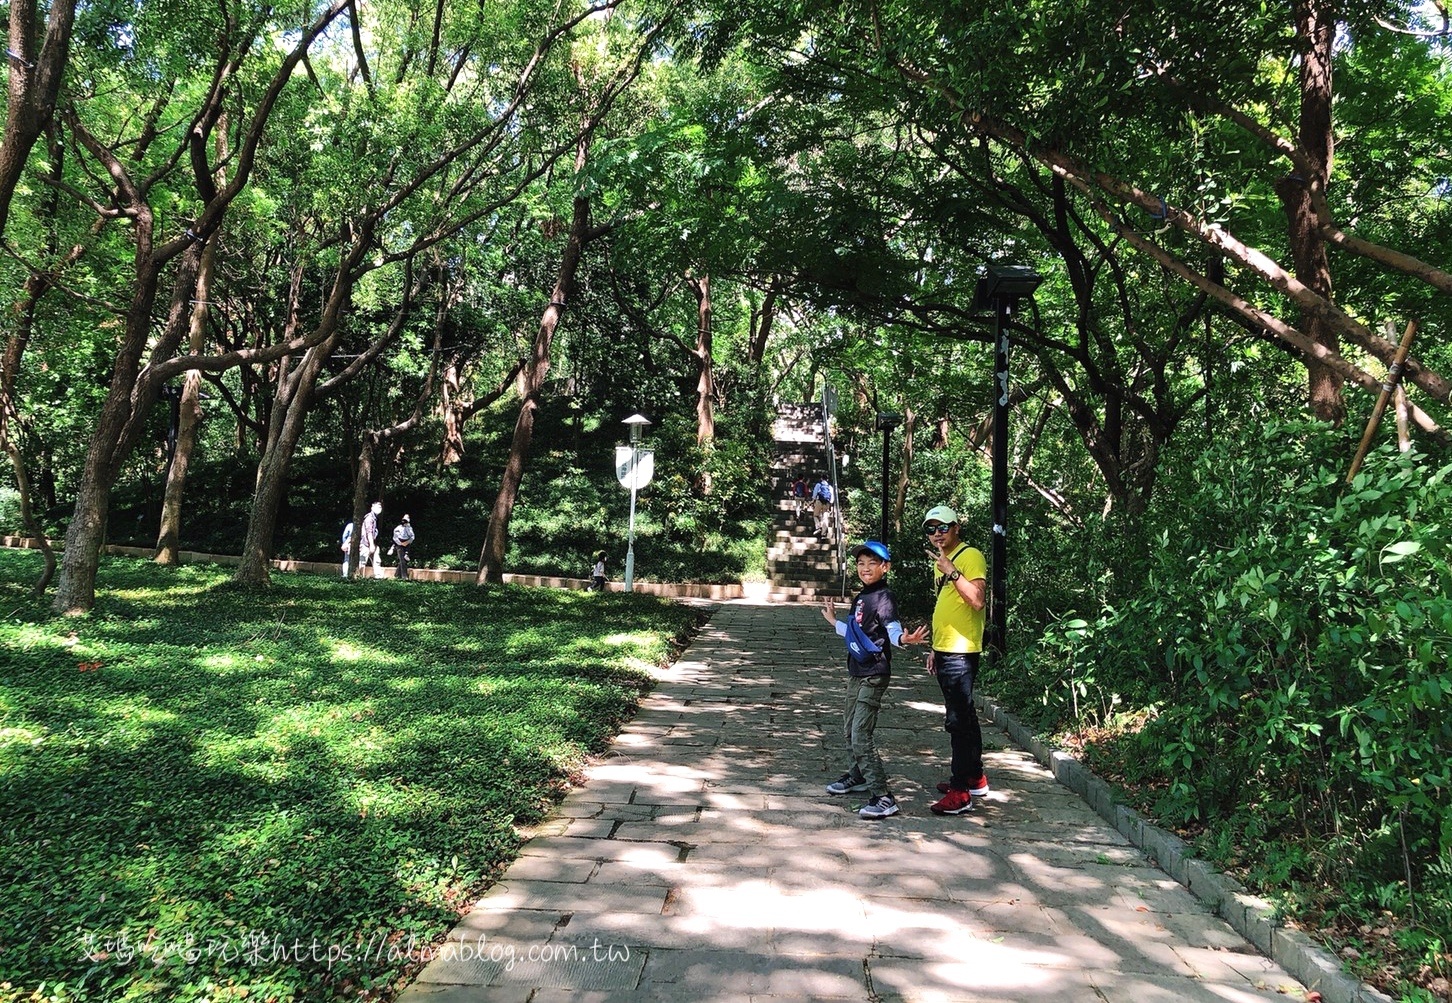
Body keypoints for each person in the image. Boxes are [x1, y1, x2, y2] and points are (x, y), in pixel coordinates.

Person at [820, 540, 928, 819]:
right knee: (847, 729)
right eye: (860, 563)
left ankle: (883, 796)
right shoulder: (861, 596)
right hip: (857, 670)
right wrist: (834, 623)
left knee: (860, 734)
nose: (865, 568)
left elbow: (892, 630)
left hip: (874, 674)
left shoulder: (884, 597)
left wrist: (905, 639)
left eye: (872, 563)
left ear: (885, 567)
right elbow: (858, 634)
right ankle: (857, 776)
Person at [921, 505, 991, 816]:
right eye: (931, 529)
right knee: (965, 716)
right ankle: (974, 777)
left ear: (956, 527)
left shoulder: (969, 555)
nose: (937, 534)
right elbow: (946, 605)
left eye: (943, 527)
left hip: (962, 650)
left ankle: (960, 791)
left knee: (958, 721)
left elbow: (976, 601)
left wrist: (952, 570)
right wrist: (936, 647)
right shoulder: (940, 562)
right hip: (947, 648)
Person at [360, 501, 383, 579]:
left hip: (372, 544)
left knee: (377, 561)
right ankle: (359, 578)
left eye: (380, 507)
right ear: (372, 508)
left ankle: (378, 578)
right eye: (377, 507)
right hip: (366, 544)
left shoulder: (375, 518)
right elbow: (369, 532)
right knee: (362, 562)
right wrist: (371, 545)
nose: (379, 509)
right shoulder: (369, 518)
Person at [391, 514, 415, 579]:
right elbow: (395, 537)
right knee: (402, 560)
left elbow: (412, 537)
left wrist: (407, 542)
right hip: (399, 545)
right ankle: (404, 576)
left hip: (407, 544)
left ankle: (397, 575)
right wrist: (401, 543)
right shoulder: (398, 528)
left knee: (405, 560)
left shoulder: (409, 528)